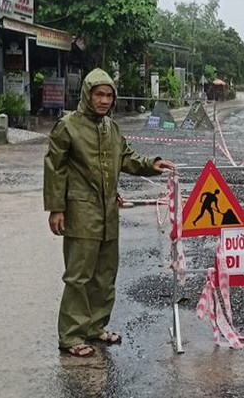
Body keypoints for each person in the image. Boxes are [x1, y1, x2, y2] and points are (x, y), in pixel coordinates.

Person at [44, 68, 175, 358]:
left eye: (108, 95)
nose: (104, 101)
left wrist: (149, 163)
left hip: (108, 213)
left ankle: (94, 327)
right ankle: (71, 335)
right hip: (80, 211)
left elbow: (125, 158)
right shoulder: (68, 126)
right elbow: (55, 168)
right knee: (79, 275)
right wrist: (56, 208)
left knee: (105, 274)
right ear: (87, 95)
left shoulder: (111, 128)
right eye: (98, 94)